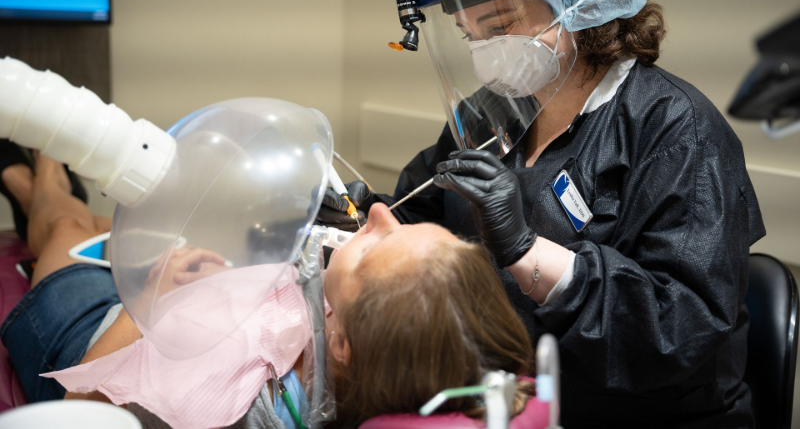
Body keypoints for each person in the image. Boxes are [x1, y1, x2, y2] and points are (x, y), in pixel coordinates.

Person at [317, 0, 765, 427]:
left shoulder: (675, 131)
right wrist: (357, 214)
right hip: (501, 402)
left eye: (501, 25)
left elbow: (678, 332)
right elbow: (422, 212)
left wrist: (528, 252)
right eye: (470, 35)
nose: (486, 50)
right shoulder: (487, 117)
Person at [0, 145, 540, 428]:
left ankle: (38, 171)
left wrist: (149, 299)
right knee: (95, 228)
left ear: (342, 338)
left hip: (88, 331)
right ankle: (32, 182)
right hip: (186, 300)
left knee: (65, 228)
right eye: (403, 224)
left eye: (376, 244)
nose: (379, 212)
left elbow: (82, 405)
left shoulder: (232, 410)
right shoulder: (376, 350)